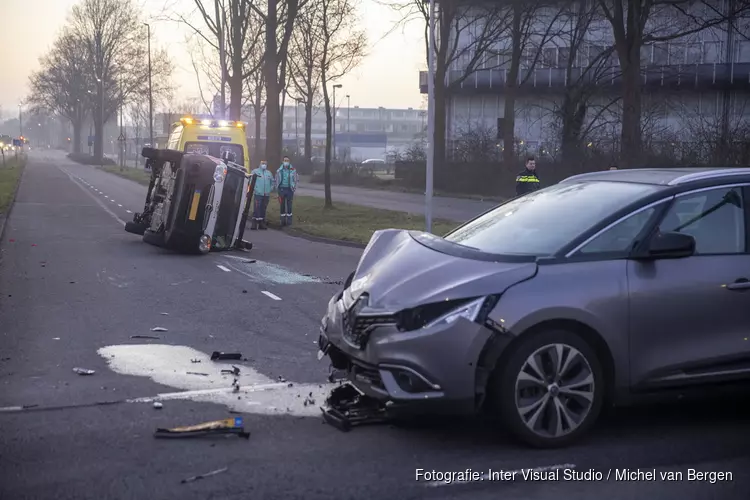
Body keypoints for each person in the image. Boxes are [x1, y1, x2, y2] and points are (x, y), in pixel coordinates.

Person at [250, 160, 274, 230]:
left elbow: (272, 182)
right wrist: (255, 189)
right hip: (258, 193)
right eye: (263, 163)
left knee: (263, 208)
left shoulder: (269, 173)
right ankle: (254, 223)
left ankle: (261, 223)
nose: (264, 165)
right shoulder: (255, 172)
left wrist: (270, 189)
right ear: (260, 164)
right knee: (257, 208)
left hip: (266, 194)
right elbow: (251, 181)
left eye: (265, 164)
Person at [275, 156, 298, 226]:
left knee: (289, 205)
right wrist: (277, 189)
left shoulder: (293, 170)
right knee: (282, 205)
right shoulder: (279, 171)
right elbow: (276, 180)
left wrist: (294, 187)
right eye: (285, 160)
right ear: (283, 161)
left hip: (289, 190)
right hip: (281, 190)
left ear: (289, 162)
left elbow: (296, 180)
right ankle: (282, 221)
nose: (286, 162)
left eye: (287, 161)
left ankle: (289, 221)